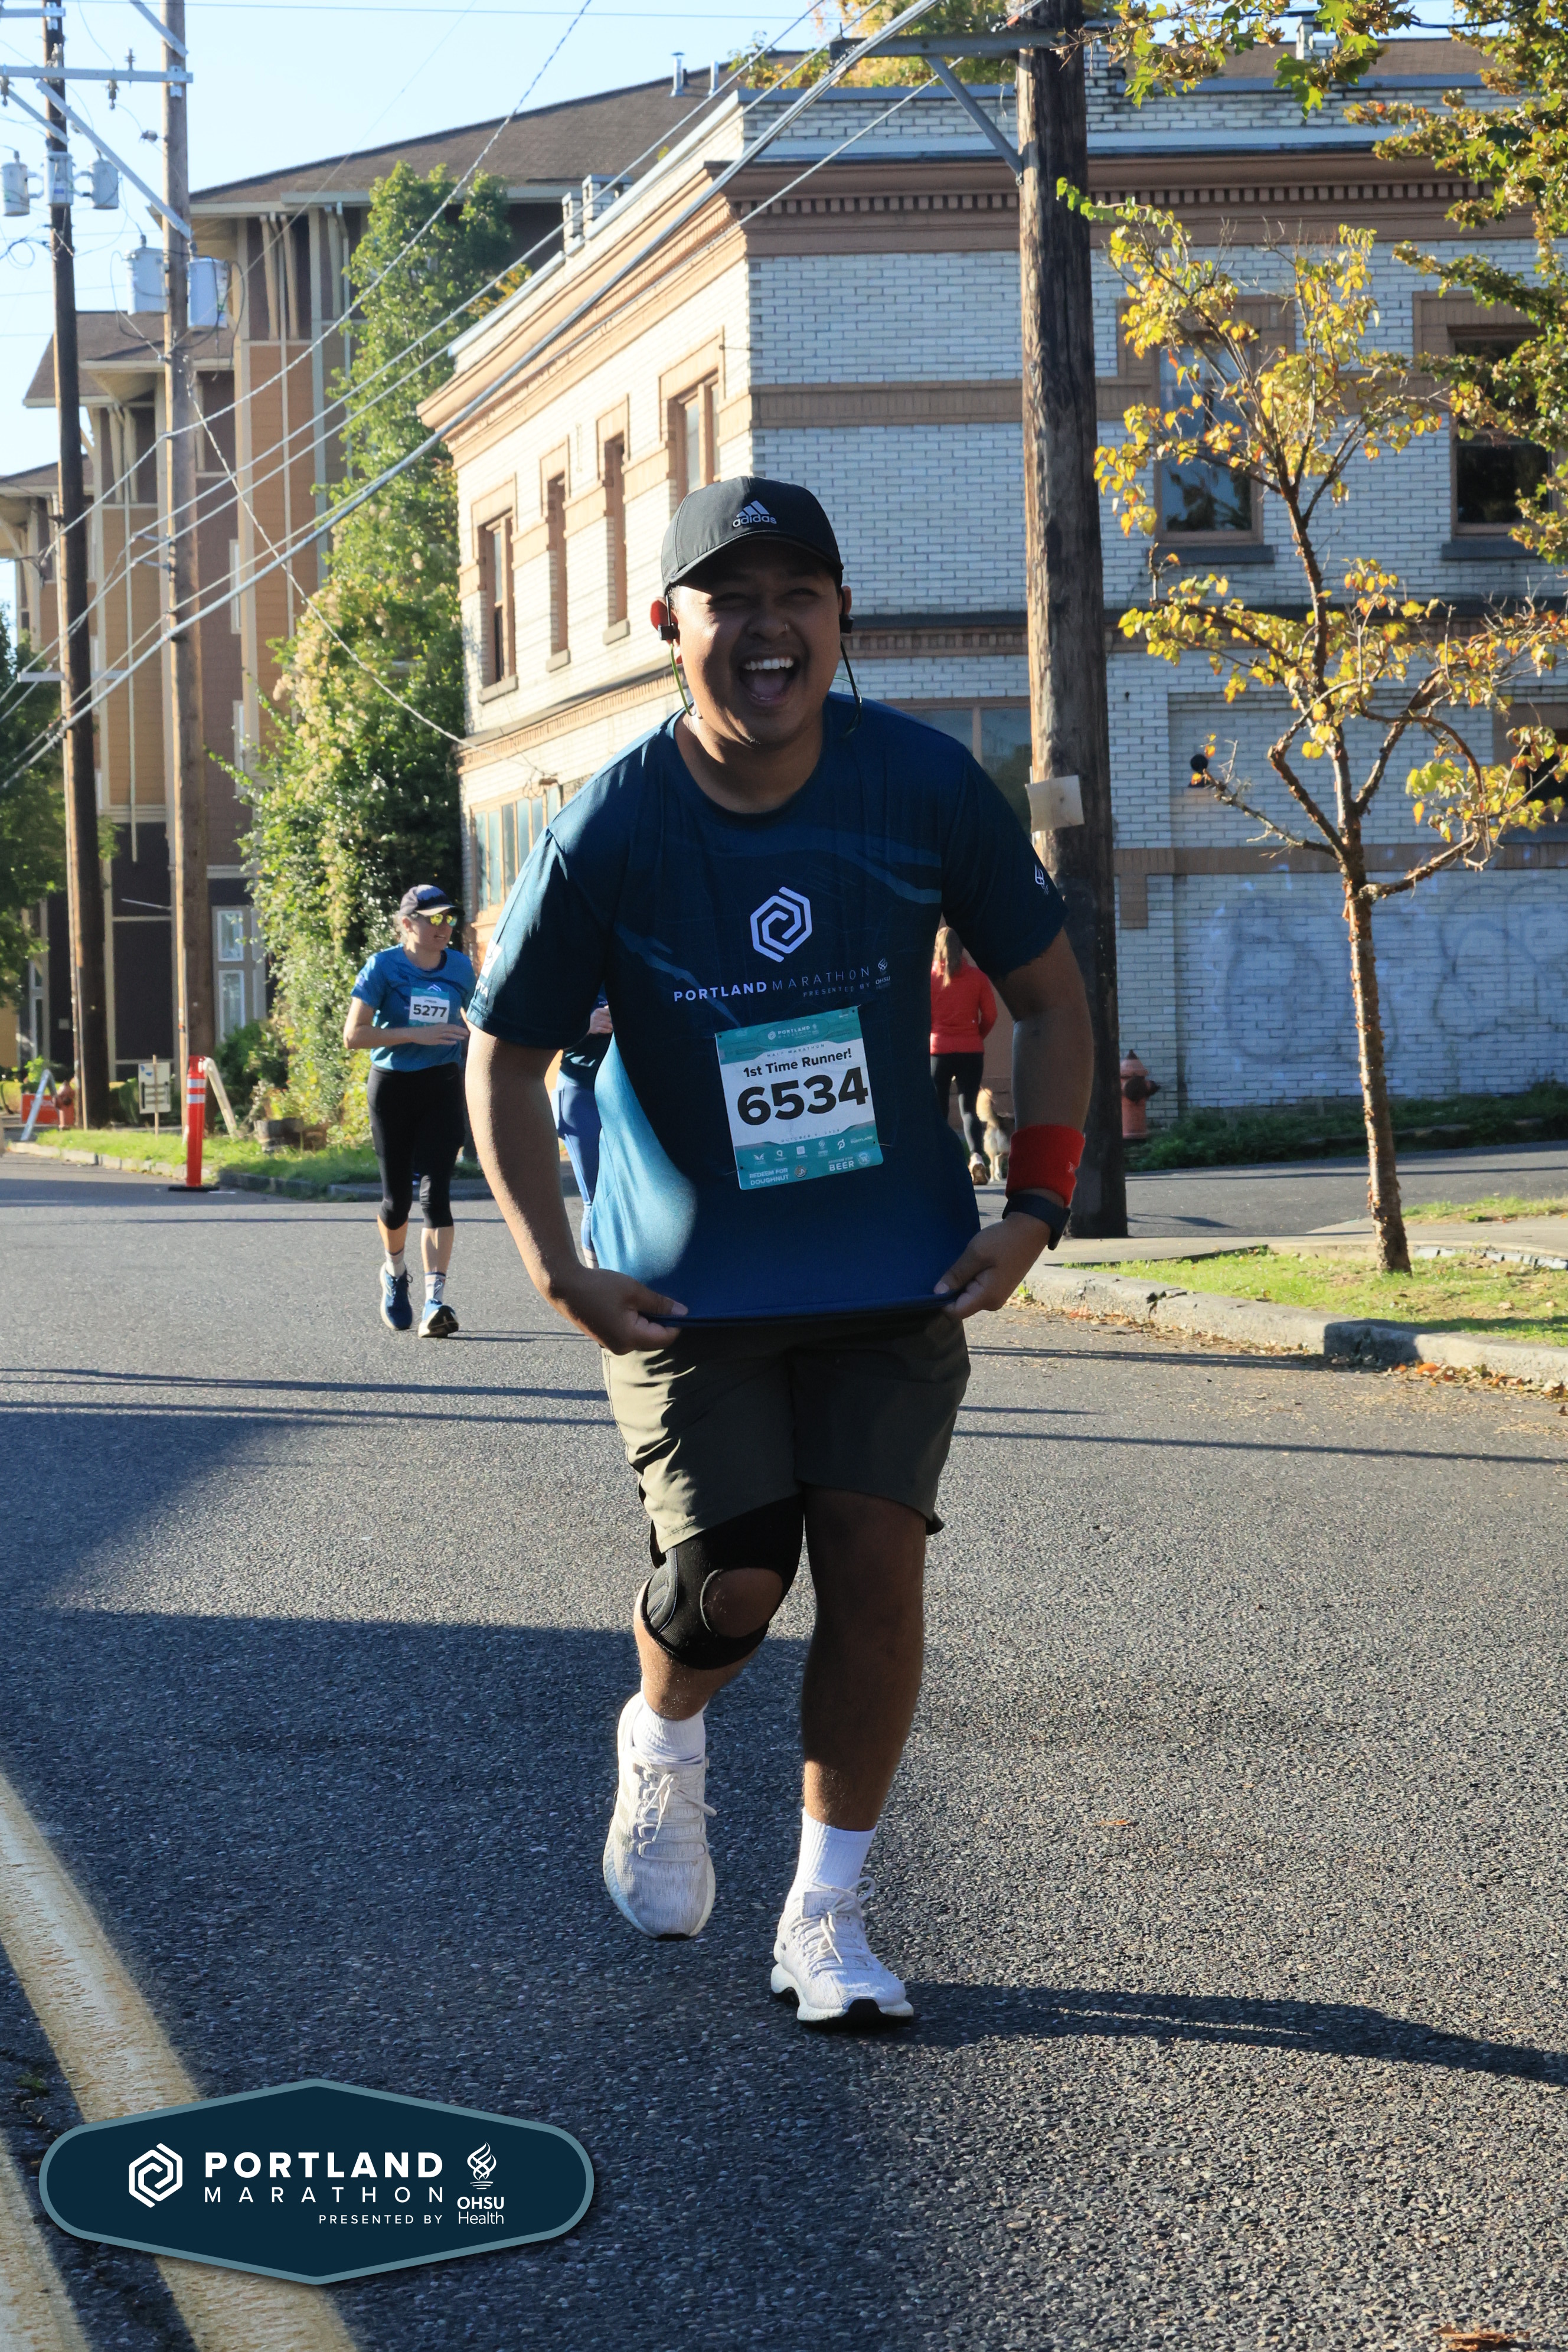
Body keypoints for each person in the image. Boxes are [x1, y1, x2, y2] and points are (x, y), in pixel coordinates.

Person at [465, 476, 1092, 2026]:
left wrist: (1035, 1203)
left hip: (888, 1267)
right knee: (734, 1585)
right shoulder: (611, 824)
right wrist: (554, 1262)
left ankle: (826, 1919)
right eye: (730, 598)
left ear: (839, 618)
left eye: (797, 594)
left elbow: (1050, 997)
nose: (767, 628)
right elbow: (503, 1056)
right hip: (685, 1287)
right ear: (667, 625)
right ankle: (663, 1736)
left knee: (875, 1567)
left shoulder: (922, 786)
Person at [344, 884, 476, 1339]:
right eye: (433, 918)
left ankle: (435, 1303)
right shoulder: (383, 967)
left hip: (442, 1085)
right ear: (407, 924)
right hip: (393, 1087)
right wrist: (414, 1035)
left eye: (448, 918)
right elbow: (354, 1035)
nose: (443, 927)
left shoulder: (460, 967)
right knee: (397, 1200)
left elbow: (480, 1018)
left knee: (436, 1194)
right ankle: (395, 1274)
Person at [930, 924, 998, 1186]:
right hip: (971, 1050)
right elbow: (991, 1015)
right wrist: (976, 1036)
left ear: (938, 948)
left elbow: (919, 1016)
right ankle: (977, 1158)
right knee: (969, 1108)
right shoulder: (977, 977)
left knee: (939, 1110)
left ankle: (941, 1163)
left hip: (939, 1052)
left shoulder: (929, 978)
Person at [553, 997, 613, 1266]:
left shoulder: (640, 972)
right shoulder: (569, 976)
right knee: (597, 1198)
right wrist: (583, 1025)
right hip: (581, 1092)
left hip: (631, 1092)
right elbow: (536, 1036)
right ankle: (596, 1279)